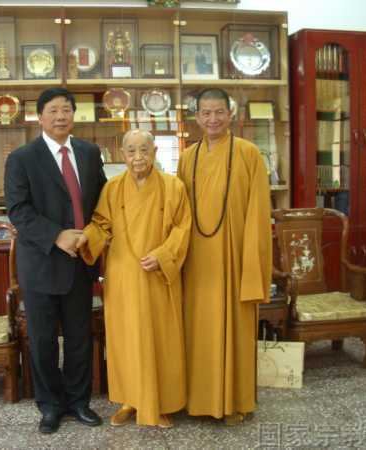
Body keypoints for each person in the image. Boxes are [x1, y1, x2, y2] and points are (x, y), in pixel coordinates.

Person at [4, 87, 106, 434]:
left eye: (66, 109)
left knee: (79, 337)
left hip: (80, 260)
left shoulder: (89, 153)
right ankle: (49, 406)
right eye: (53, 110)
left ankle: (79, 402)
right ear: (40, 117)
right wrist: (57, 236)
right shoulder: (22, 158)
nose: (61, 116)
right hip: (41, 263)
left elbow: (101, 201)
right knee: (43, 340)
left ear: (74, 114)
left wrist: (91, 234)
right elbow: (18, 210)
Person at [76, 130, 191, 428]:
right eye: (131, 151)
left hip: (158, 275)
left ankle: (160, 403)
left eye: (144, 150)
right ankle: (129, 399)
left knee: (160, 338)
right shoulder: (113, 188)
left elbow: (182, 228)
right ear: (123, 154)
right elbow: (101, 224)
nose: (138, 157)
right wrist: (85, 238)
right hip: (123, 274)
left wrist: (164, 255)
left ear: (155, 152)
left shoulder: (173, 186)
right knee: (125, 338)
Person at [177, 88, 272, 424]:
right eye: (206, 113)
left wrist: (252, 261)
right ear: (197, 117)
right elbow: (178, 212)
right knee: (198, 331)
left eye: (219, 112)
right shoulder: (187, 157)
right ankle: (198, 400)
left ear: (231, 115)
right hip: (197, 262)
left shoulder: (248, 153)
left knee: (235, 328)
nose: (213, 119)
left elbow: (258, 212)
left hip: (234, 256)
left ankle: (234, 401)